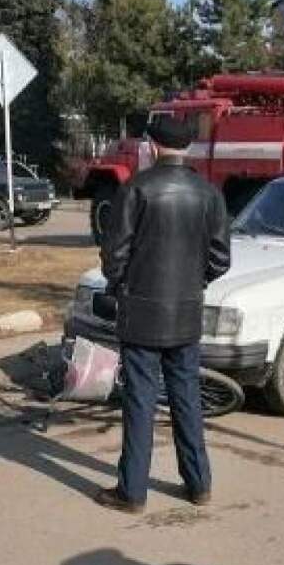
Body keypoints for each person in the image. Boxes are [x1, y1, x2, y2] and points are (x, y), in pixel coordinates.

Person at [97, 115, 231, 513]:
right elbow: (220, 259)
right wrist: (192, 282)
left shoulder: (136, 188)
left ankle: (132, 492)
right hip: (186, 311)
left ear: (152, 147)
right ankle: (199, 484)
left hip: (141, 312)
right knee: (186, 397)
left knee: (140, 401)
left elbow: (114, 254)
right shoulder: (209, 193)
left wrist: (121, 284)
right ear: (187, 147)